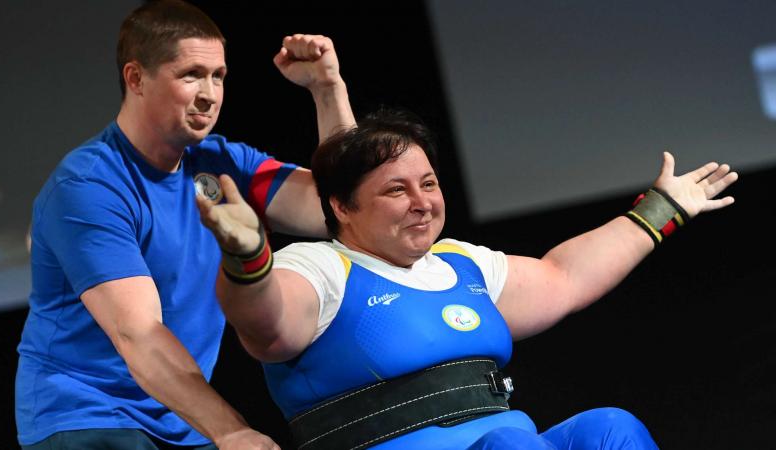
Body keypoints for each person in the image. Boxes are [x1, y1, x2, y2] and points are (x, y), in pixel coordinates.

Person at [197, 110, 738, 449]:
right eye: (395, 191)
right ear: (341, 205)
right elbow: (266, 327)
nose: (421, 203)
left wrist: (663, 209)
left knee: (609, 428)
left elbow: (564, 277)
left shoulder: (459, 264)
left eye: (428, 183)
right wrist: (248, 258)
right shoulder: (317, 267)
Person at [15, 1, 355, 449]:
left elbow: (336, 208)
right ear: (135, 78)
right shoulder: (88, 186)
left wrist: (327, 90)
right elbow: (138, 333)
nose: (209, 94)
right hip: (87, 415)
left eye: (218, 76)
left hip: (179, 416)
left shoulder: (220, 161)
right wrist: (231, 430)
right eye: (191, 74)